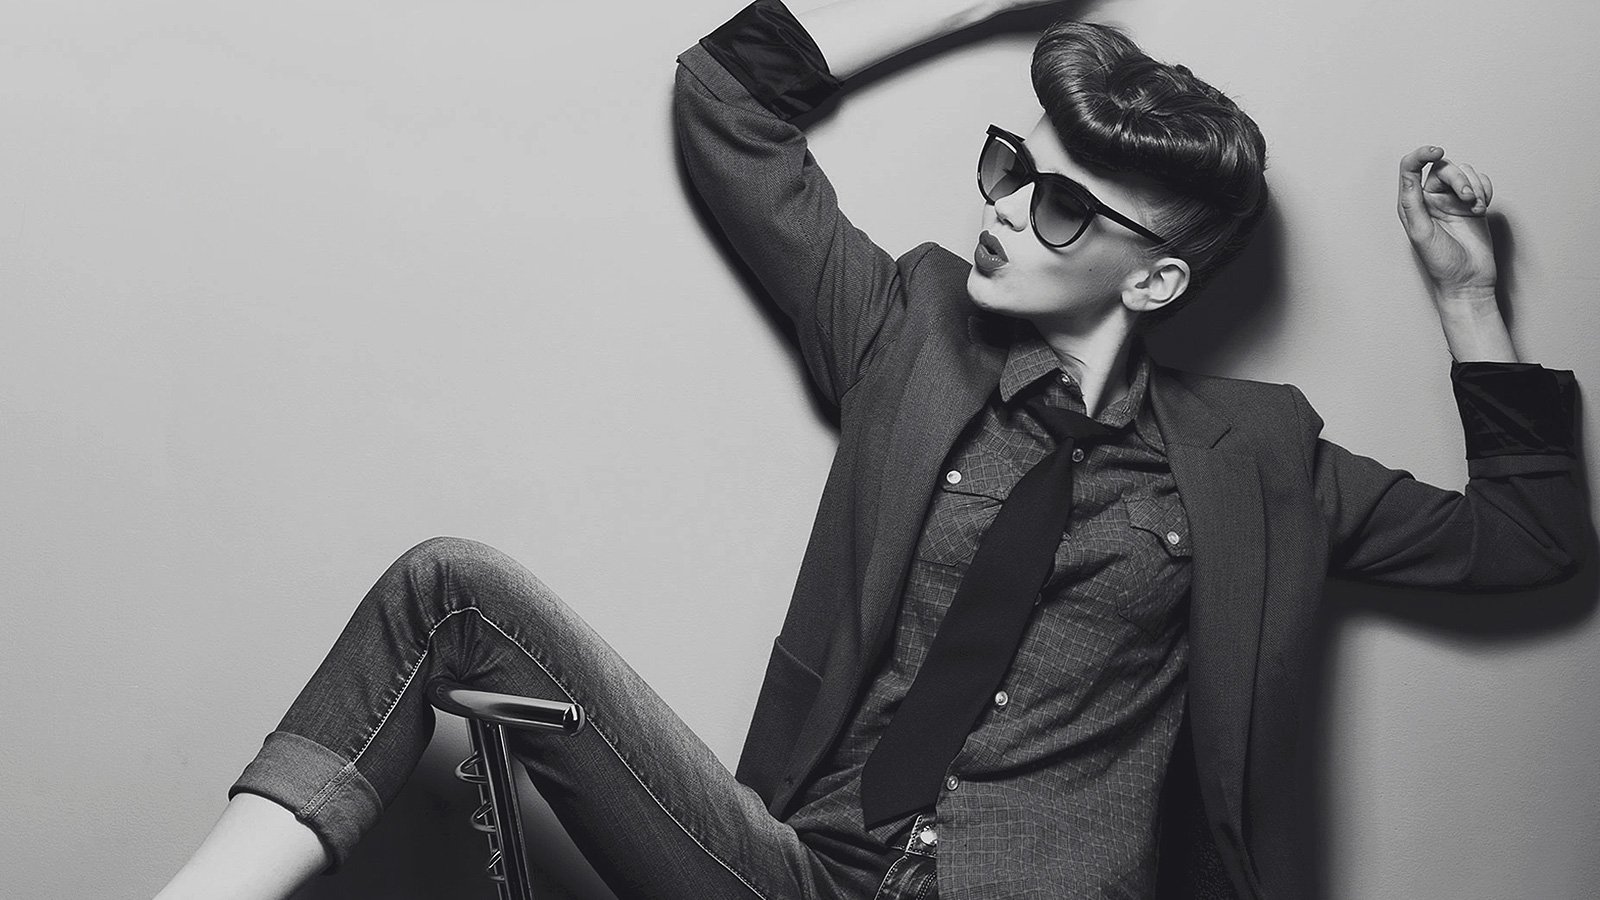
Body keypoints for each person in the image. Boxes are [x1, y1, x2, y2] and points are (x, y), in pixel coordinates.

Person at [153, 0, 1586, 898]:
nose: (1007, 212)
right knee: (448, 587)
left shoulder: (1257, 457)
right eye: (1013, 169)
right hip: (798, 875)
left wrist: (1468, 296)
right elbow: (729, 106)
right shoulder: (910, 328)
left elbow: (1529, 542)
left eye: (1063, 207)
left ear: (1156, 278)